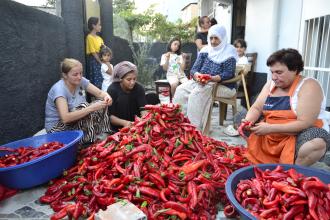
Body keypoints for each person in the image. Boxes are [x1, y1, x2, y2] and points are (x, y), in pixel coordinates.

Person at [239, 48, 330, 166]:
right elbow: (256, 108)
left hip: (297, 133)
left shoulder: (309, 86)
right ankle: (264, 159)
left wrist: (271, 128)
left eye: (279, 72)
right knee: (241, 117)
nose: (274, 77)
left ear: (294, 70)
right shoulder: (272, 84)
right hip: (270, 131)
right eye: (272, 72)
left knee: (316, 144)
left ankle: (294, 171)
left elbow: (305, 122)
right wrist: (247, 122)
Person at [173, 25, 238, 131]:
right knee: (180, 90)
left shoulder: (229, 51)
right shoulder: (205, 50)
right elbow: (194, 69)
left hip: (222, 85)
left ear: (222, 38)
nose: (212, 41)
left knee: (196, 94)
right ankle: (177, 122)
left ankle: (194, 129)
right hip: (202, 81)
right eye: (211, 38)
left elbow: (229, 73)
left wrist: (215, 78)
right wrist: (197, 76)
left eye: (216, 38)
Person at [45, 58, 113, 143]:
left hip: (74, 122)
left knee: (101, 103)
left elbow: (99, 93)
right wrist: (91, 108)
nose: (79, 77)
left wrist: (107, 97)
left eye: (81, 73)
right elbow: (65, 118)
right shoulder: (59, 90)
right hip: (57, 129)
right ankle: (88, 143)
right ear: (65, 75)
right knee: (85, 106)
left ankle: (102, 135)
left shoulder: (81, 81)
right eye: (75, 74)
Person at [107, 61, 147, 131]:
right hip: (118, 129)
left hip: (136, 127)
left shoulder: (139, 88)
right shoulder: (112, 90)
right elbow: (111, 117)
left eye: (134, 79)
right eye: (128, 79)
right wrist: (126, 123)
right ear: (121, 79)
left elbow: (143, 109)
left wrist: (143, 120)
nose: (132, 82)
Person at [86, 17, 104, 89]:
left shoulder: (100, 38)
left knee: (102, 78)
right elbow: (93, 52)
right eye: (99, 25)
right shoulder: (89, 37)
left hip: (101, 60)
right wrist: (101, 63)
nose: (100, 26)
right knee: (96, 79)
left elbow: (104, 49)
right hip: (94, 61)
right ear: (93, 26)